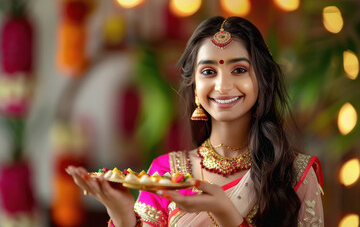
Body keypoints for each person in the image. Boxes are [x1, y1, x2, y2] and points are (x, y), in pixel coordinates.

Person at [66, 16, 324, 227]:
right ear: (195, 86)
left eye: (239, 70)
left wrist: (225, 211)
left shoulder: (296, 174)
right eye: (209, 72)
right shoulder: (166, 172)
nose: (222, 85)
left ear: (262, 81)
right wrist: (123, 216)